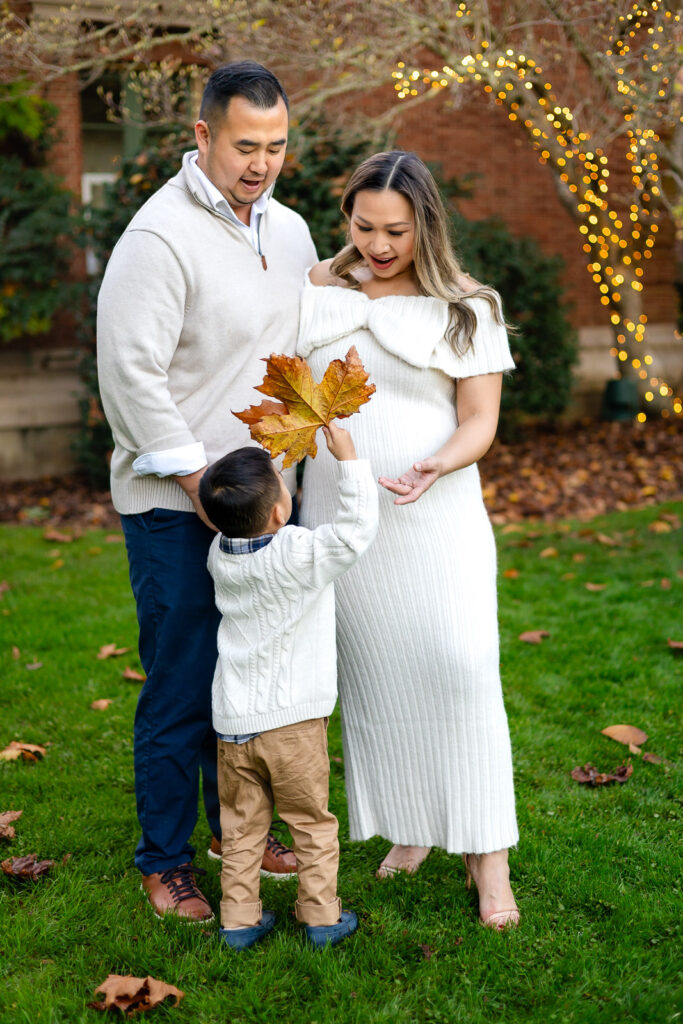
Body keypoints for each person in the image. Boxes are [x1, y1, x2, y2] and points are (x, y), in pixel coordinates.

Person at [97, 60, 317, 921]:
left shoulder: (290, 231)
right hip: (173, 504)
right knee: (184, 684)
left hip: (260, 503)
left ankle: (239, 829)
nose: (260, 163)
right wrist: (198, 477)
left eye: (275, 146)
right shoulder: (158, 239)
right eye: (244, 146)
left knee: (250, 683)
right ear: (202, 138)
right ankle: (165, 860)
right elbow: (128, 378)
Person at [297, 150, 520, 930]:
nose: (381, 244)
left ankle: (486, 857)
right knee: (378, 682)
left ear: (426, 225)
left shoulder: (467, 306)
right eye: (364, 227)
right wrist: (336, 266)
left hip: (436, 516)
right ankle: (412, 830)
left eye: (395, 230)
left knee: (461, 670)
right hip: (342, 520)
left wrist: (436, 465)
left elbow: (479, 421)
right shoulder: (319, 295)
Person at [198, 423, 378, 949]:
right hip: (292, 725)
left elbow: (249, 519)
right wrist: (349, 460)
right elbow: (353, 532)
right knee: (311, 824)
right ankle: (321, 918)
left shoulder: (218, 556)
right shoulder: (298, 553)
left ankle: (238, 921)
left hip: (233, 727)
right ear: (282, 511)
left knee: (242, 828)